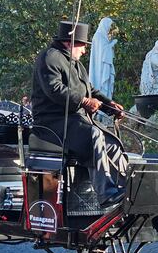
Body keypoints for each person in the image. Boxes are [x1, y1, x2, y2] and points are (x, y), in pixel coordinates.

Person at [31, 20, 127, 208]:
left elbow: (90, 90)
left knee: (112, 143)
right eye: (82, 45)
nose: (84, 51)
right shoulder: (49, 58)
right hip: (52, 122)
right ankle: (105, 193)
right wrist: (83, 101)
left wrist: (110, 105)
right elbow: (55, 90)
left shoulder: (75, 64)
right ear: (70, 42)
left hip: (74, 121)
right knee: (94, 135)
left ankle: (127, 188)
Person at [88, 17, 117, 100]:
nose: (109, 28)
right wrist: (112, 43)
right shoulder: (99, 36)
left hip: (104, 65)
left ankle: (106, 101)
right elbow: (103, 52)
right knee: (101, 83)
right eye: (109, 25)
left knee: (106, 84)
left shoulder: (103, 36)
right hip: (100, 67)